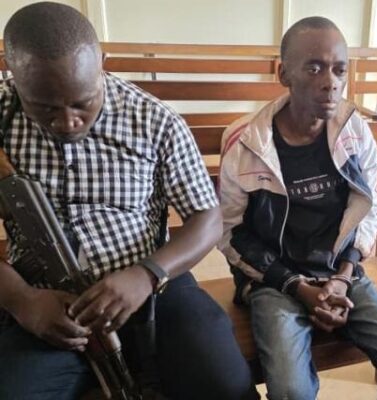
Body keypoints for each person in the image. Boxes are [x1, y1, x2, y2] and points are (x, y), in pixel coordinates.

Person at [0, 3, 258, 399]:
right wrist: (23, 302)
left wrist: (147, 273)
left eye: (82, 102)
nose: (67, 122)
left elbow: (207, 218)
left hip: (154, 286)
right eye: (45, 107)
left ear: (101, 64)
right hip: (44, 300)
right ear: (13, 74)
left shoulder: (154, 120)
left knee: (226, 386)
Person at [218, 16, 377, 400]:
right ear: (284, 73)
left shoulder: (354, 131)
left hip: (342, 273)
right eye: (314, 68)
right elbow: (230, 231)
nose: (330, 82)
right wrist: (295, 285)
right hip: (275, 281)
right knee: (291, 392)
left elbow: (368, 210)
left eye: (339, 70)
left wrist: (344, 276)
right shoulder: (246, 141)